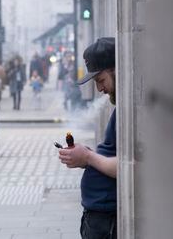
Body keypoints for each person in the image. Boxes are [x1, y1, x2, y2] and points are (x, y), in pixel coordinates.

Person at [58, 37, 117, 239]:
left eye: (101, 80)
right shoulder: (122, 110)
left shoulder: (131, 111)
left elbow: (129, 166)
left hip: (108, 220)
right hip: (101, 217)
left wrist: (89, 158)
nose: (100, 89)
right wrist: (86, 156)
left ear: (117, 69)